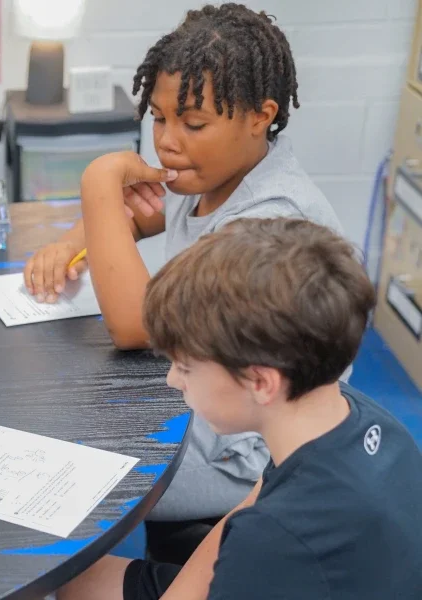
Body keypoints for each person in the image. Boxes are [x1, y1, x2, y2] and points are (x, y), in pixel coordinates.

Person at [24, 3, 346, 528]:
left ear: (261, 117)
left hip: (243, 455)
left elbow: (135, 326)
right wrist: (70, 243)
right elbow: (134, 216)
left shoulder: (270, 223)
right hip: (202, 400)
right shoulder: (210, 173)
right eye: (158, 117)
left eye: (193, 123)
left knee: (57, 485)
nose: (167, 140)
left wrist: (99, 182)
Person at [57, 218, 422, 600]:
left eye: (185, 367)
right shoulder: (348, 413)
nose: (172, 380)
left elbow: (254, 536)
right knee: (79, 582)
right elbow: (248, 507)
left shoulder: (273, 538)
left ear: (261, 382)